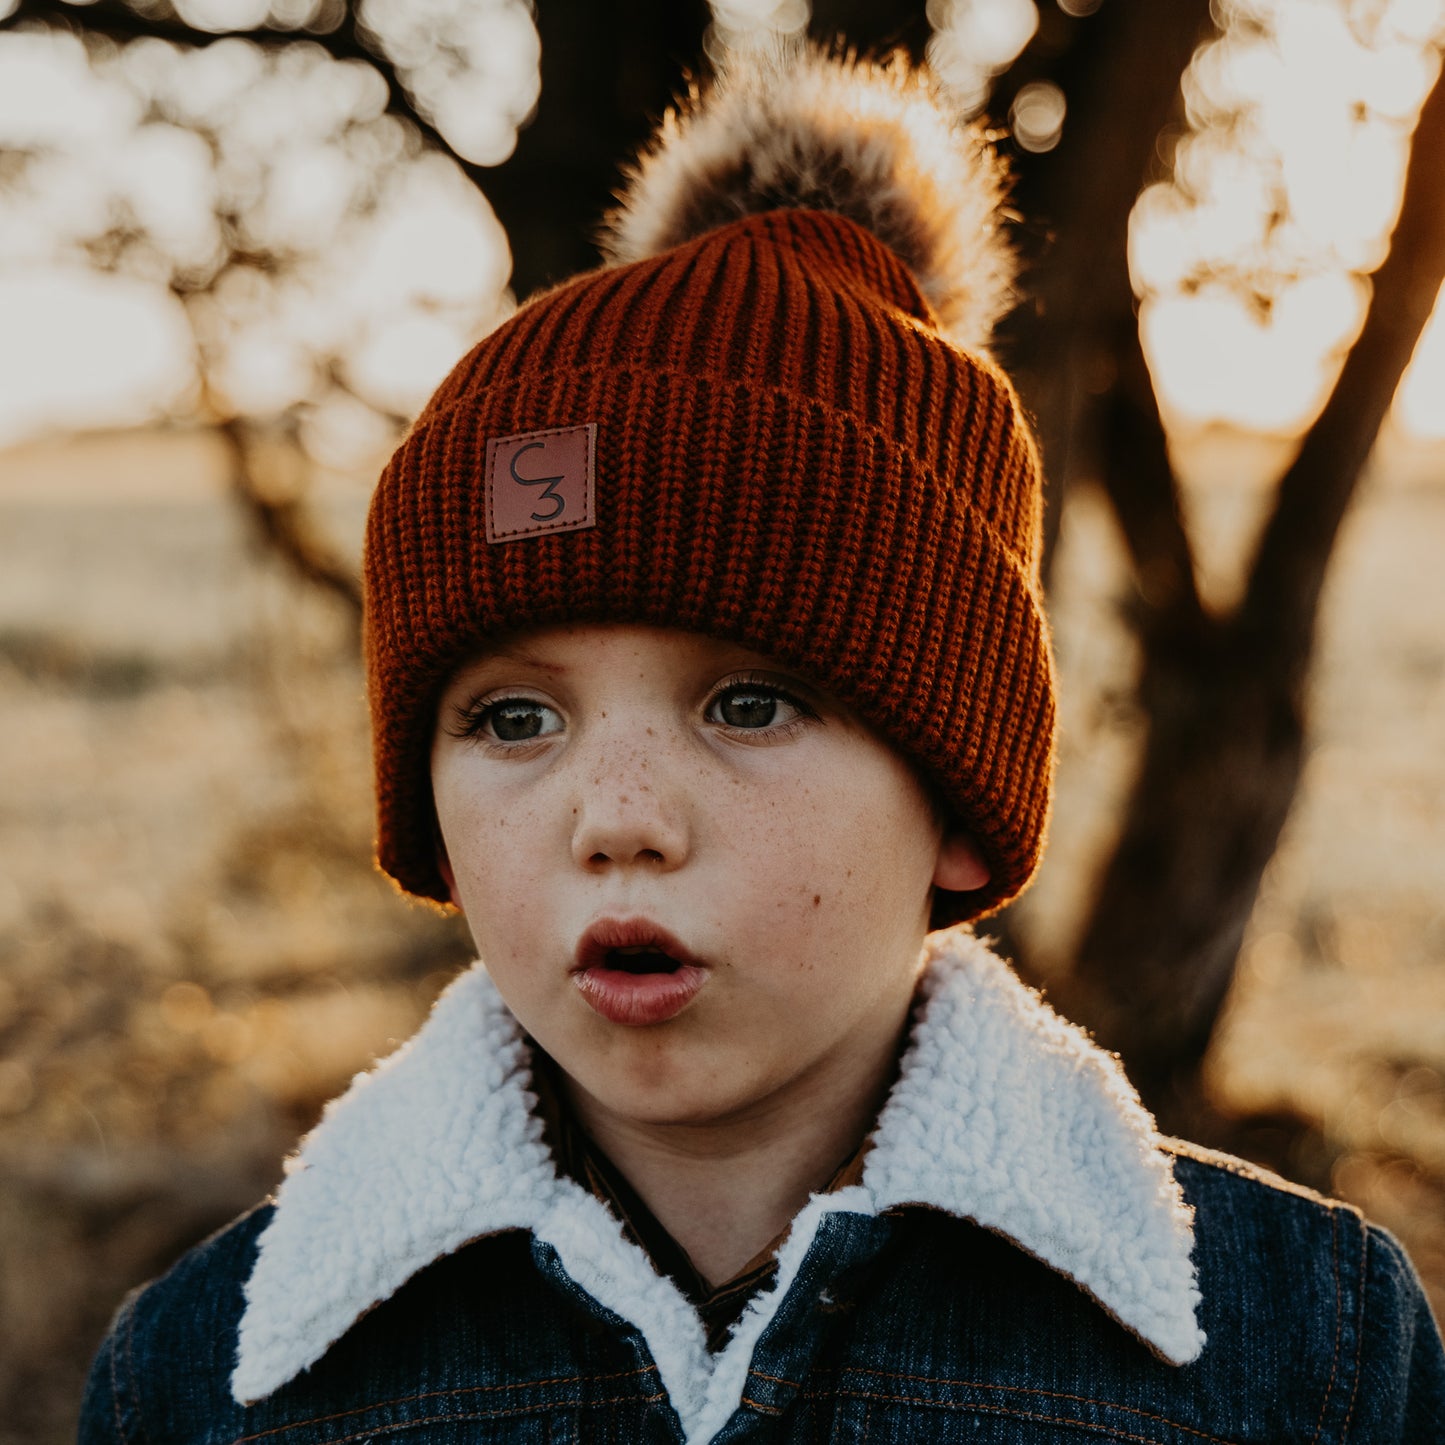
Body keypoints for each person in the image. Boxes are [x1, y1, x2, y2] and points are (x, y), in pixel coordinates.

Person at [80, 41, 1443, 1444]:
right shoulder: (207, 1382)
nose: (617, 817)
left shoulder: (1304, 1355)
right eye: (513, 718)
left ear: (958, 794)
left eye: (749, 703)